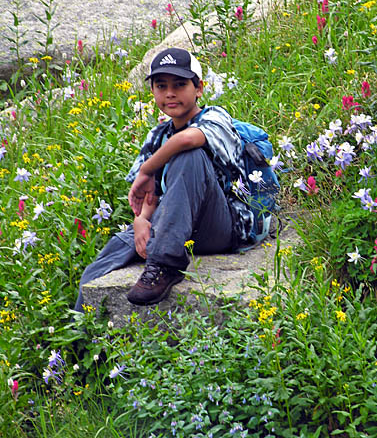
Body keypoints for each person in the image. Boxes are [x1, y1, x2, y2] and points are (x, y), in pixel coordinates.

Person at [74, 47, 253, 311]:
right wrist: (141, 221)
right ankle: (78, 343)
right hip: (174, 226)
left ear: (199, 89)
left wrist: (148, 169)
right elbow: (149, 197)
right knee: (99, 266)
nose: (170, 93)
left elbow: (189, 139)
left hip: (219, 227)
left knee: (189, 156)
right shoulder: (157, 136)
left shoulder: (215, 117)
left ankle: (165, 265)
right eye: (161, 86)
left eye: (180, 85)